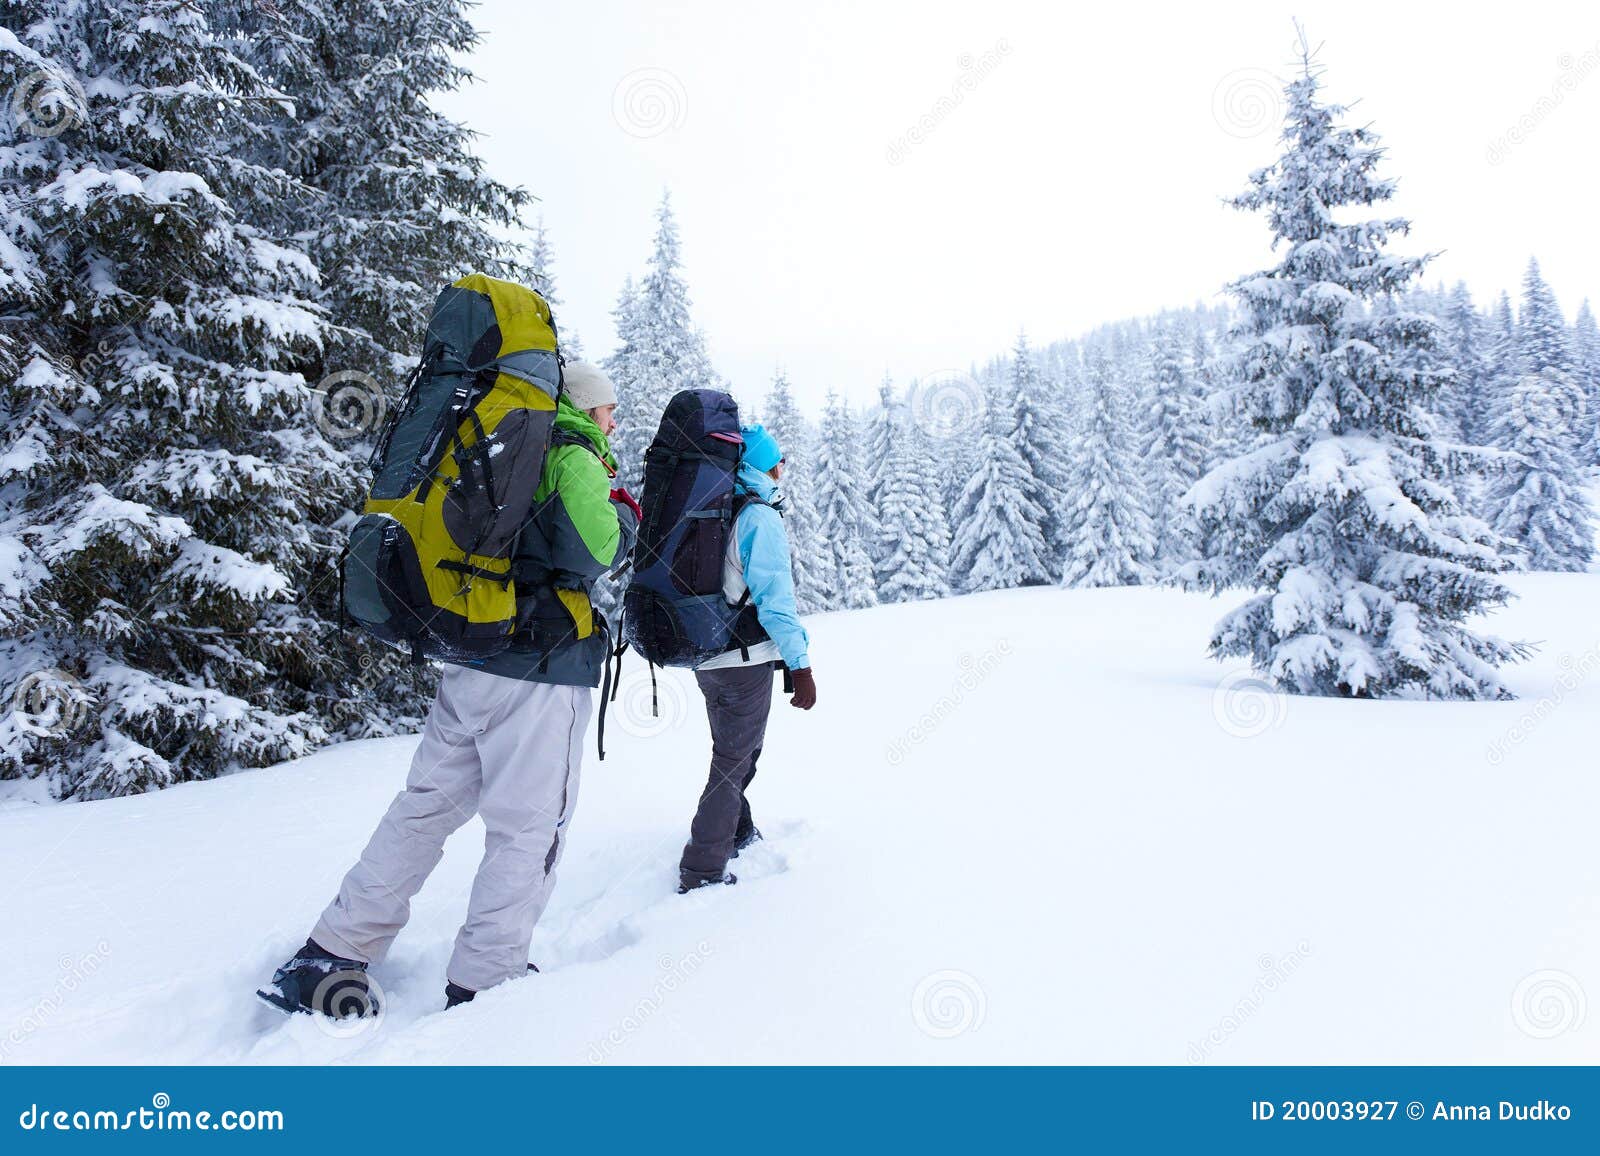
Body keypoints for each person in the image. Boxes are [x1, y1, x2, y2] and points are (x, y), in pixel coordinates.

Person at [261, 362, 639, 1014]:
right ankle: (487, 984)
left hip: (472, 657)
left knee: (423, 808)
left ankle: (332, 953)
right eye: (610, 409)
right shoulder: (572, 451)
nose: (614, 421)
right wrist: (625, 516)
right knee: (527, 830)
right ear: (588, 407)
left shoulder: (500, 442)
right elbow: (594, 551)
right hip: (537, 676)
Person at [678, 422, 816, 894]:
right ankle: (702, 868)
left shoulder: (715, 509)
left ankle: (736, 829)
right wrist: (801, 666)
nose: (782, 469)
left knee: (738, 749)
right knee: (734, 757)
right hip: (742, 658)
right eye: (778, 461)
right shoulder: (758, 518)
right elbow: (776, 603)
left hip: (707, 657)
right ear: (763, 466)